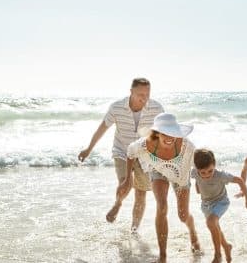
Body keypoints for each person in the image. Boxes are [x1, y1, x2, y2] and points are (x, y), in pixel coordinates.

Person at [78, 78, 164, 232]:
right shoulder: (117, 107)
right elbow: (102, 128)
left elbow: (165, 133)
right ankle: (118, 203)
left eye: (147, 94)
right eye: (140, 94)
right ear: (131, 92)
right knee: (126, 182)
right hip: (122, 152)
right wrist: (88, 149)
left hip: (145, 155)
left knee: (141, 193)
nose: (144, 98)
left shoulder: (157, 108)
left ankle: (134, 229)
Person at [114, 113, 201, 263]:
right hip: (158, 170)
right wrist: (128, 179)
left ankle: (193, 234)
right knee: (162, 206)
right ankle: (163, 256)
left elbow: (199, 166)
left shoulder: (187, 147)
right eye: (165, 133)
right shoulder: (144, 145)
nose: (169, 137)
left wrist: (201, 183)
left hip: (180, 173)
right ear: (157, 133)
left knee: (183, 215)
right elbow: (130, 153)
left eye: (173, 133)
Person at [191, 149, 247, 263]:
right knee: (215, 227)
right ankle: (226, 246)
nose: (207, 175)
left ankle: (218, 255)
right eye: (202, 173)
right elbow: (190, 177)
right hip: (206, 205)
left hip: (221, 202)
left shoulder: (220, 175)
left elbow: (240, 180)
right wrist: (197, 185)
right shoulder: (195, 172)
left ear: (214, 164)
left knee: (211, 222)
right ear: (197, 169)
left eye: (210, 171)